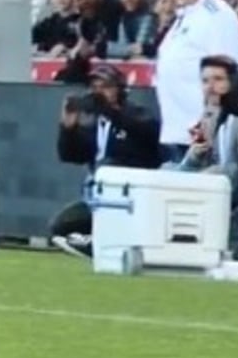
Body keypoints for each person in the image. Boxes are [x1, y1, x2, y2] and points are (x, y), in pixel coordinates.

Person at [49, 64, 160, 257]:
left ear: (120, 89)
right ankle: (97, 244)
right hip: (98, 197)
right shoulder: (94, 124)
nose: (98, 93)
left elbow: (147, 132)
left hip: (131, 197)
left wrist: (109, 110)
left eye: (106, 87)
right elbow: (71, 156)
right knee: (61, 226)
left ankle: (105, 243)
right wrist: (68, 128)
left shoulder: (137, 115)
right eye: (95, 87)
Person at [153, 0, 238, 167]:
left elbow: (225, 72)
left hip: (199, 132)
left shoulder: (216, 15)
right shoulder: (187, 14)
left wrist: (207, 131)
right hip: (177, 127)